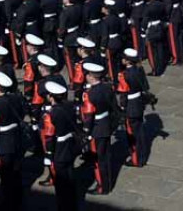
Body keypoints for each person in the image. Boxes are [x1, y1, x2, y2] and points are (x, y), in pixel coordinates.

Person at [0, 71, 25, 208]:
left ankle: (8, 203)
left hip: (4, 142)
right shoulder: (15, 98)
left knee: (6, 175)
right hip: (16, 138)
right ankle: (17, 200)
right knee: (16, 173)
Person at [40, 81, 78, 211]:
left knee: (61, 183)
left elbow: (49, 137)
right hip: (70, 145)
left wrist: (48, 154)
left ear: (51, 96)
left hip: (59, 149)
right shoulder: (69, 106)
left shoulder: (51, 114)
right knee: (70, 176)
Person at [80, 62, 115, 195]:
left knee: (98, 160)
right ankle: (108, 182)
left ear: (91, 76)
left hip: (96, 128)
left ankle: (102, 186)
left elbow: (89, 116)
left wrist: (86, 131)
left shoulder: (91, 94)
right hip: (105, 124)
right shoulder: (107, 88)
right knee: (105, 156)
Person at [116, 49, 150, 168]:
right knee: (140, 132)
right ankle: (143, 156)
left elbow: (123, 95)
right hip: (139, 102)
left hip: (130, 106)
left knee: (133, 135)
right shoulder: (140, 70)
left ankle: (136, 159)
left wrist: (121, 107)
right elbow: (146, 86)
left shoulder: (124, 75)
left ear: (127, 61)